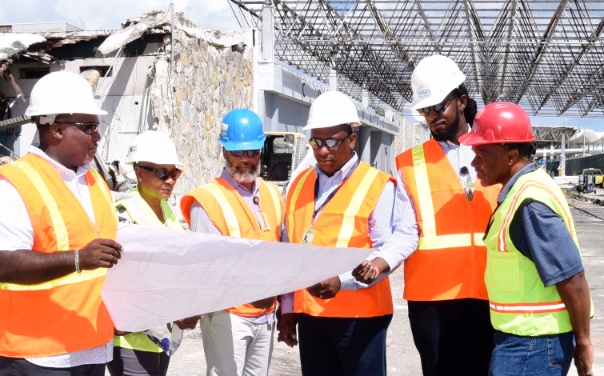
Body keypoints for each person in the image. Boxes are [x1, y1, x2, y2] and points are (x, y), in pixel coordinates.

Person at [0, 71, 122, 376]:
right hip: (37, 354)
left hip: (92, 346)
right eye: (89, 127)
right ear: (56, 130)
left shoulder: (93, 181)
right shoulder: (11, 184)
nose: (97, 136)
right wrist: (80, 259)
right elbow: (3, 263)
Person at [277, 90, 418, 376]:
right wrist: (289, 307)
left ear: (352, 139)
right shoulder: (299, 183)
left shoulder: (377, 185)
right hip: (312, 316)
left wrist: (342, 281)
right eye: (316, 142)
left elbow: (386, 248)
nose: (323, 150)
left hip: (360, 319)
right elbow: (289, 247)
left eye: (332, 142)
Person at [460, 102, 594, 376]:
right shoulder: (523, 190)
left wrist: (583, 342)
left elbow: (572, 277)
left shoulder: (529, 203)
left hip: (532, 342)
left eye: (481, 154)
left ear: (510, 156)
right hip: (527, 338)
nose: (473, 163)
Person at [393, 54, 500, 376]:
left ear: (462, 101)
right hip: (432, 300)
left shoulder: (494, 153)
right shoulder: (407, 163)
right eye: (425, 110)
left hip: (490, 291)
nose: (432, 116)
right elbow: (402, 229)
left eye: (439, 107)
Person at [180, 108, 284, 376]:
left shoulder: (273, 195)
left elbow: (282, 253)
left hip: (266, 314)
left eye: (253, 152)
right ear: (224, 151)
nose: (247, 160)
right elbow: (208, 266)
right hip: (228, 315)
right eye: (239, 153)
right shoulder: (207, 199)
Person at [108, 130, 200, 376]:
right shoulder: (123, 213)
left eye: (174, 173)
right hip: (131, 338)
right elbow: (122, 280)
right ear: (139, 172)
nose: (169, 180)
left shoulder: (169, 212)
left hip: (161, 334)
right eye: (161, 173)